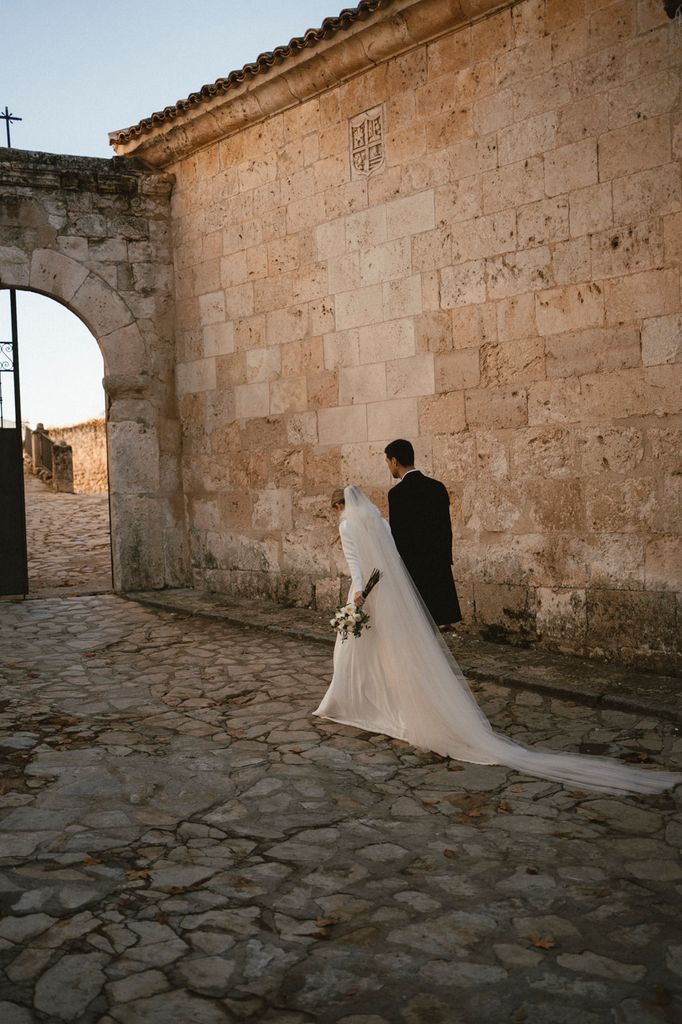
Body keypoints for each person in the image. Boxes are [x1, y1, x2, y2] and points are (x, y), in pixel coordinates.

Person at [313, 485, 681, 796]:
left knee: (355, 649)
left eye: (334, 510)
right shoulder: (378, 519)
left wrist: (358, 596)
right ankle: (379, 700)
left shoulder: (347, 524)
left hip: (368, 595)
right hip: (391, 593)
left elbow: (354, 566)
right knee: (392, 652)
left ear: (338, 506)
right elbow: (392, 555)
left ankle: (350, 702)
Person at [384, 438, 462, 628]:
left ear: (394, 461)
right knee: (436, 624)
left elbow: (398, 536)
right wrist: (444, 559)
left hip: (413, 569)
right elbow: (445, 528)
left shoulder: (397, 494)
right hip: (437, 565)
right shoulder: (437, 487)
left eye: (387, 462)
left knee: (417, 627)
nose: (388, 467)